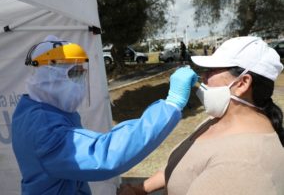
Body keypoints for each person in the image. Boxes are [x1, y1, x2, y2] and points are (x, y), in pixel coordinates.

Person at [11, 35, 197, 195]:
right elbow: (104, 155)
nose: (80, 83)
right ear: (49, 75)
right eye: (74, 74)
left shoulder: (35, 110)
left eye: (81, 74)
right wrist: (171, 105)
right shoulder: (43, 125)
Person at [117, 36, 284, 195]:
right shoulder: (217, 121)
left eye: (211, 71)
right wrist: (142, 188)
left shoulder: (242, 164)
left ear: (242, 83)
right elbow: (186, 165)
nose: (203, 77)